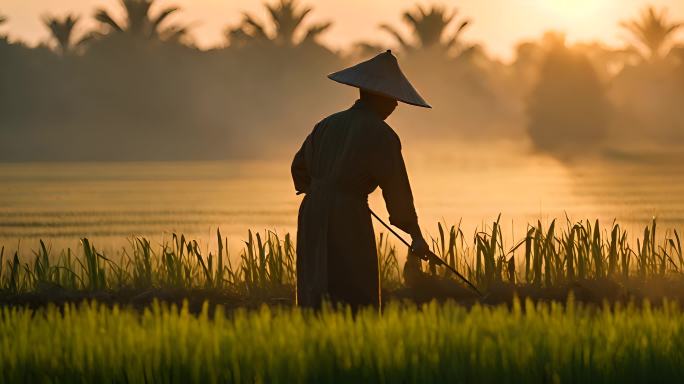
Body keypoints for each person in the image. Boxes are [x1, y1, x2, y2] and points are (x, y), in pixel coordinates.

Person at [291, 50, 431, 309]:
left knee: (315, 286)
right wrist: (416, 235)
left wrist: (322, 191)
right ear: (380, 97)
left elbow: (299, 169)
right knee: (354, 289)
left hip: (312, 211)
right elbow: (397, 192)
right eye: (393, 98)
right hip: (347, 215)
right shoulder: (382, 135)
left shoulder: (326, 124)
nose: (396, 105)